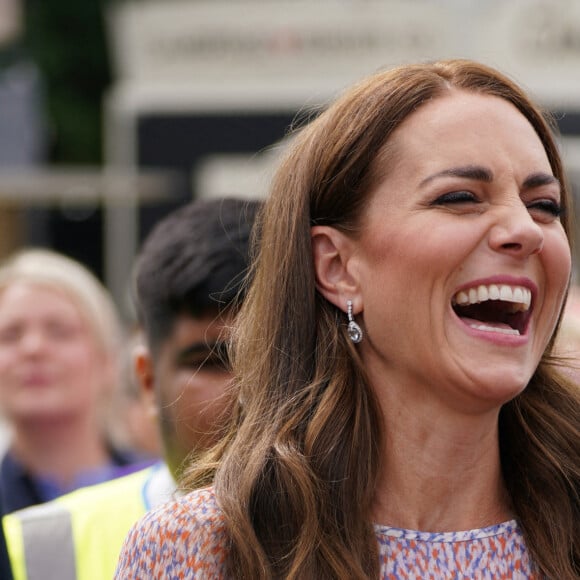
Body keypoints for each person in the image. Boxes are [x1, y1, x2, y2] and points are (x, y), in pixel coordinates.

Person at [115, 59, 580, 579]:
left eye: (545, 205)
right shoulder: (207, 548)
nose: (526, 230)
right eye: (460, 198)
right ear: (336, 267)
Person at [3, 197, 261, 579]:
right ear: (146, 377)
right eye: (211, 362)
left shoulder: (377, 529)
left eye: (60, 331)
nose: (35, 349)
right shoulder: (36, 542)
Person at [0, 249, 142, 517]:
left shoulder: (160, 494)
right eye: (10, 335)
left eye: (59, 331)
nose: (33, 348)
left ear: (108, 360)